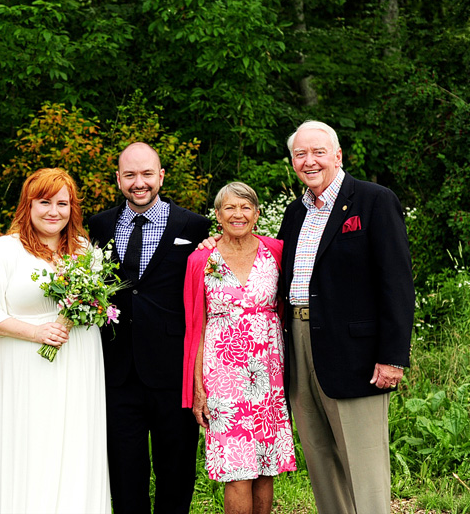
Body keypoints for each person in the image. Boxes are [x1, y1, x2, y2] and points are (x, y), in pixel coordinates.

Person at [277, 121, 414, 514]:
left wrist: (392, 356)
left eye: (318, 151)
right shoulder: (293, 213)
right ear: (293, 162)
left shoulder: (374, 201)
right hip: (300, 347)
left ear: (338, 155)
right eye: (301, 154)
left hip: (356, 354)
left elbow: (397, 282)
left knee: (364, 467)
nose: (310, 160)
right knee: (320, 462)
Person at [0, 168, 112, 514]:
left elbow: (97, 302)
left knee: (77, 448)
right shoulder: (6, 249)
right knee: (34, 449)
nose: (53, 211)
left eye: (62, 203)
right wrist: (36, 332)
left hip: (78, 365)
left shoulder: (84, 250)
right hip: (27, 369)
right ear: (28, 205)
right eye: (44, 202)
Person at [87, 142, 211, 514]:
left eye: (146, 175)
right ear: (118, 179)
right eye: (129, 175)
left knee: (176, 471)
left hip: (174, 370)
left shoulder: (194, 226)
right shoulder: (100, 225)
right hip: (118, 370)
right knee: (125, 473)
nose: (138, 183)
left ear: (160, 176)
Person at [182, 182, 296, 514]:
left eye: (245, 207)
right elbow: (196, 325)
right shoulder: (201, 258)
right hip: (223, 377)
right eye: (229, 208)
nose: (238, 214)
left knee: (265, 465)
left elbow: (287, 309)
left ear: (257, 214)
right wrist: (197, 387)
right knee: (237, 470)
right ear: (217, 215)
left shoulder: (275, 250)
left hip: (268, 376)